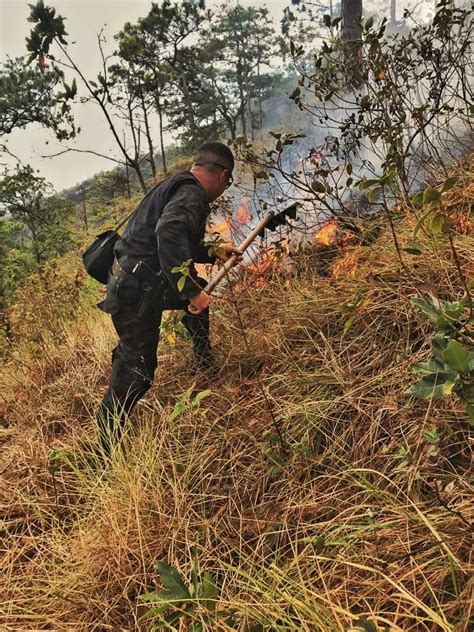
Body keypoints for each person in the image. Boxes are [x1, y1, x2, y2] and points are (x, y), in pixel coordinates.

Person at [96, 142, 241, 453]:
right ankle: (103, 449)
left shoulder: (176, 183)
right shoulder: (193, 194)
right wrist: (190, 292)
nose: (223, 191)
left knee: (199, 291)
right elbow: (168, 234)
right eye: (228, 184)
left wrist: (214, 251)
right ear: (223, 175)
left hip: (141, 281)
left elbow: (176, 241)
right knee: (137, 370)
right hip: (136, 291)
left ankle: (205, 364)